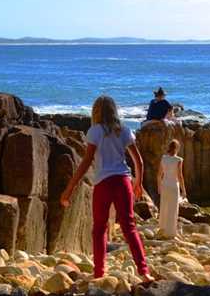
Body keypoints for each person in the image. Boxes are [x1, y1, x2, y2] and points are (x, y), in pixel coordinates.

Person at [60, 95, 153, 282]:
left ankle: (99, 272)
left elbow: (87, 162)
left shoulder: (95, 131)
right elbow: (139, 161)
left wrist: (69, 188)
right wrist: (138, 183)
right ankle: (144, 272)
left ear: (96, 112)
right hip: (123, 181)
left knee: (99, 229)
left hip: (103, 183)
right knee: (129, 227)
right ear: (114, 111)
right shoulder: (124, 130)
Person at [157, 139, 186, 238]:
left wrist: (159, 187)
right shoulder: (178, 160)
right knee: (173, 209)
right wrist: (184, 190)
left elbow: (159, 175)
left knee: (164, 207)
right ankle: (171, 232)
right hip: (174, 186)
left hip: (164, 185)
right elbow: (180, 176)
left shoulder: (163, 158)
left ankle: (163, 229)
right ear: (177, 148)